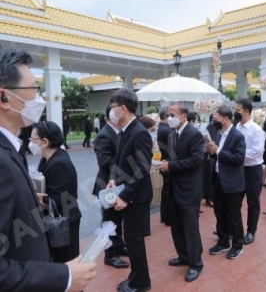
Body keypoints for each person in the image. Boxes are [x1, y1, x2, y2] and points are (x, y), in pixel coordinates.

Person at [0, 48, 96, 291]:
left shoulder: (12, 150)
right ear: (3, 97)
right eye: (33, 89)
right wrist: (63, 277)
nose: (39, 98)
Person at [107, 88, 152, 292]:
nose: (110, 110)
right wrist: (112, 179)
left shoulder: (139, 132)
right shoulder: (127, 129)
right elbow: (121, 161)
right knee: (131, 238)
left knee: (134, 240)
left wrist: (125, 196)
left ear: (123, 108)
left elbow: (142, 168)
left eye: (113, 107)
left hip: (136, 197)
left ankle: (140, 282)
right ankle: (136, 278)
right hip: (126, 191)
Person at [158, 102, 204, 283]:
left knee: (190, 227)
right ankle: (183, 256)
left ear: (184, 116)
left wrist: (170, 165)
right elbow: (173, 157)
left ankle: (196, 263)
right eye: (168, 115)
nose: (169, 118)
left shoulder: (194, 134)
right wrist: (163, 164)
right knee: (176, 226)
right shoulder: (173, 134)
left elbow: (196, 160)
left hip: (189, 189)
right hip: (174, 188)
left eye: (172, 115)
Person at [32, 121, 82, 262]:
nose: (30, 143)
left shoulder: (59, 163)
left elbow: (62, 198)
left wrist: (38, 198)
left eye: (33, 139)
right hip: (56, 219)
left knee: (65, 262)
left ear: (44, 141)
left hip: (64, 222)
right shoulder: (47, 158)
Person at [205, 105, 246, 259]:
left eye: (216, 119)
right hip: (217, 180)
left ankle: (238, 244)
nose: (213, 121)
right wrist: (210, 151)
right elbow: (217, 154)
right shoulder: (217, 134)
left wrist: (218, 151)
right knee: (220, 213)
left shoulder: (237, 136)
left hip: (232, 182)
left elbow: (238, 159)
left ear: (226, 118)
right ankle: (223, 242)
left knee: (234, 215)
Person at [92, 105, 129, 269]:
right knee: (109, 221)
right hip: (107, 184)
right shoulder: (104, 135)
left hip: (118, 183)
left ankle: (119, 246)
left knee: (117, 218)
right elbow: (104, 161)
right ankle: (110, 255)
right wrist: (126, 164)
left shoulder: (120, 133)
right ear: (111, 116)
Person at [235, 98, 265, 245]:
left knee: (253, 203)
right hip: (238, 170)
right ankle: (234, 229)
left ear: (246, 111)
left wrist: (238, 155)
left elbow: (257, 152)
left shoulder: (256, 130)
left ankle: (251, 231)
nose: (236, 113)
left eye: (238, 110)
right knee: (235, 201)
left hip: (253, 170)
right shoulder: (236, 128)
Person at [157, 106, 172, 225]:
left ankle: (165, 215)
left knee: (166, 189)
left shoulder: (163, 128)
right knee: (168, 190)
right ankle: (167, 216)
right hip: (167, 162)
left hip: (164, 160)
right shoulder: (167, 130)